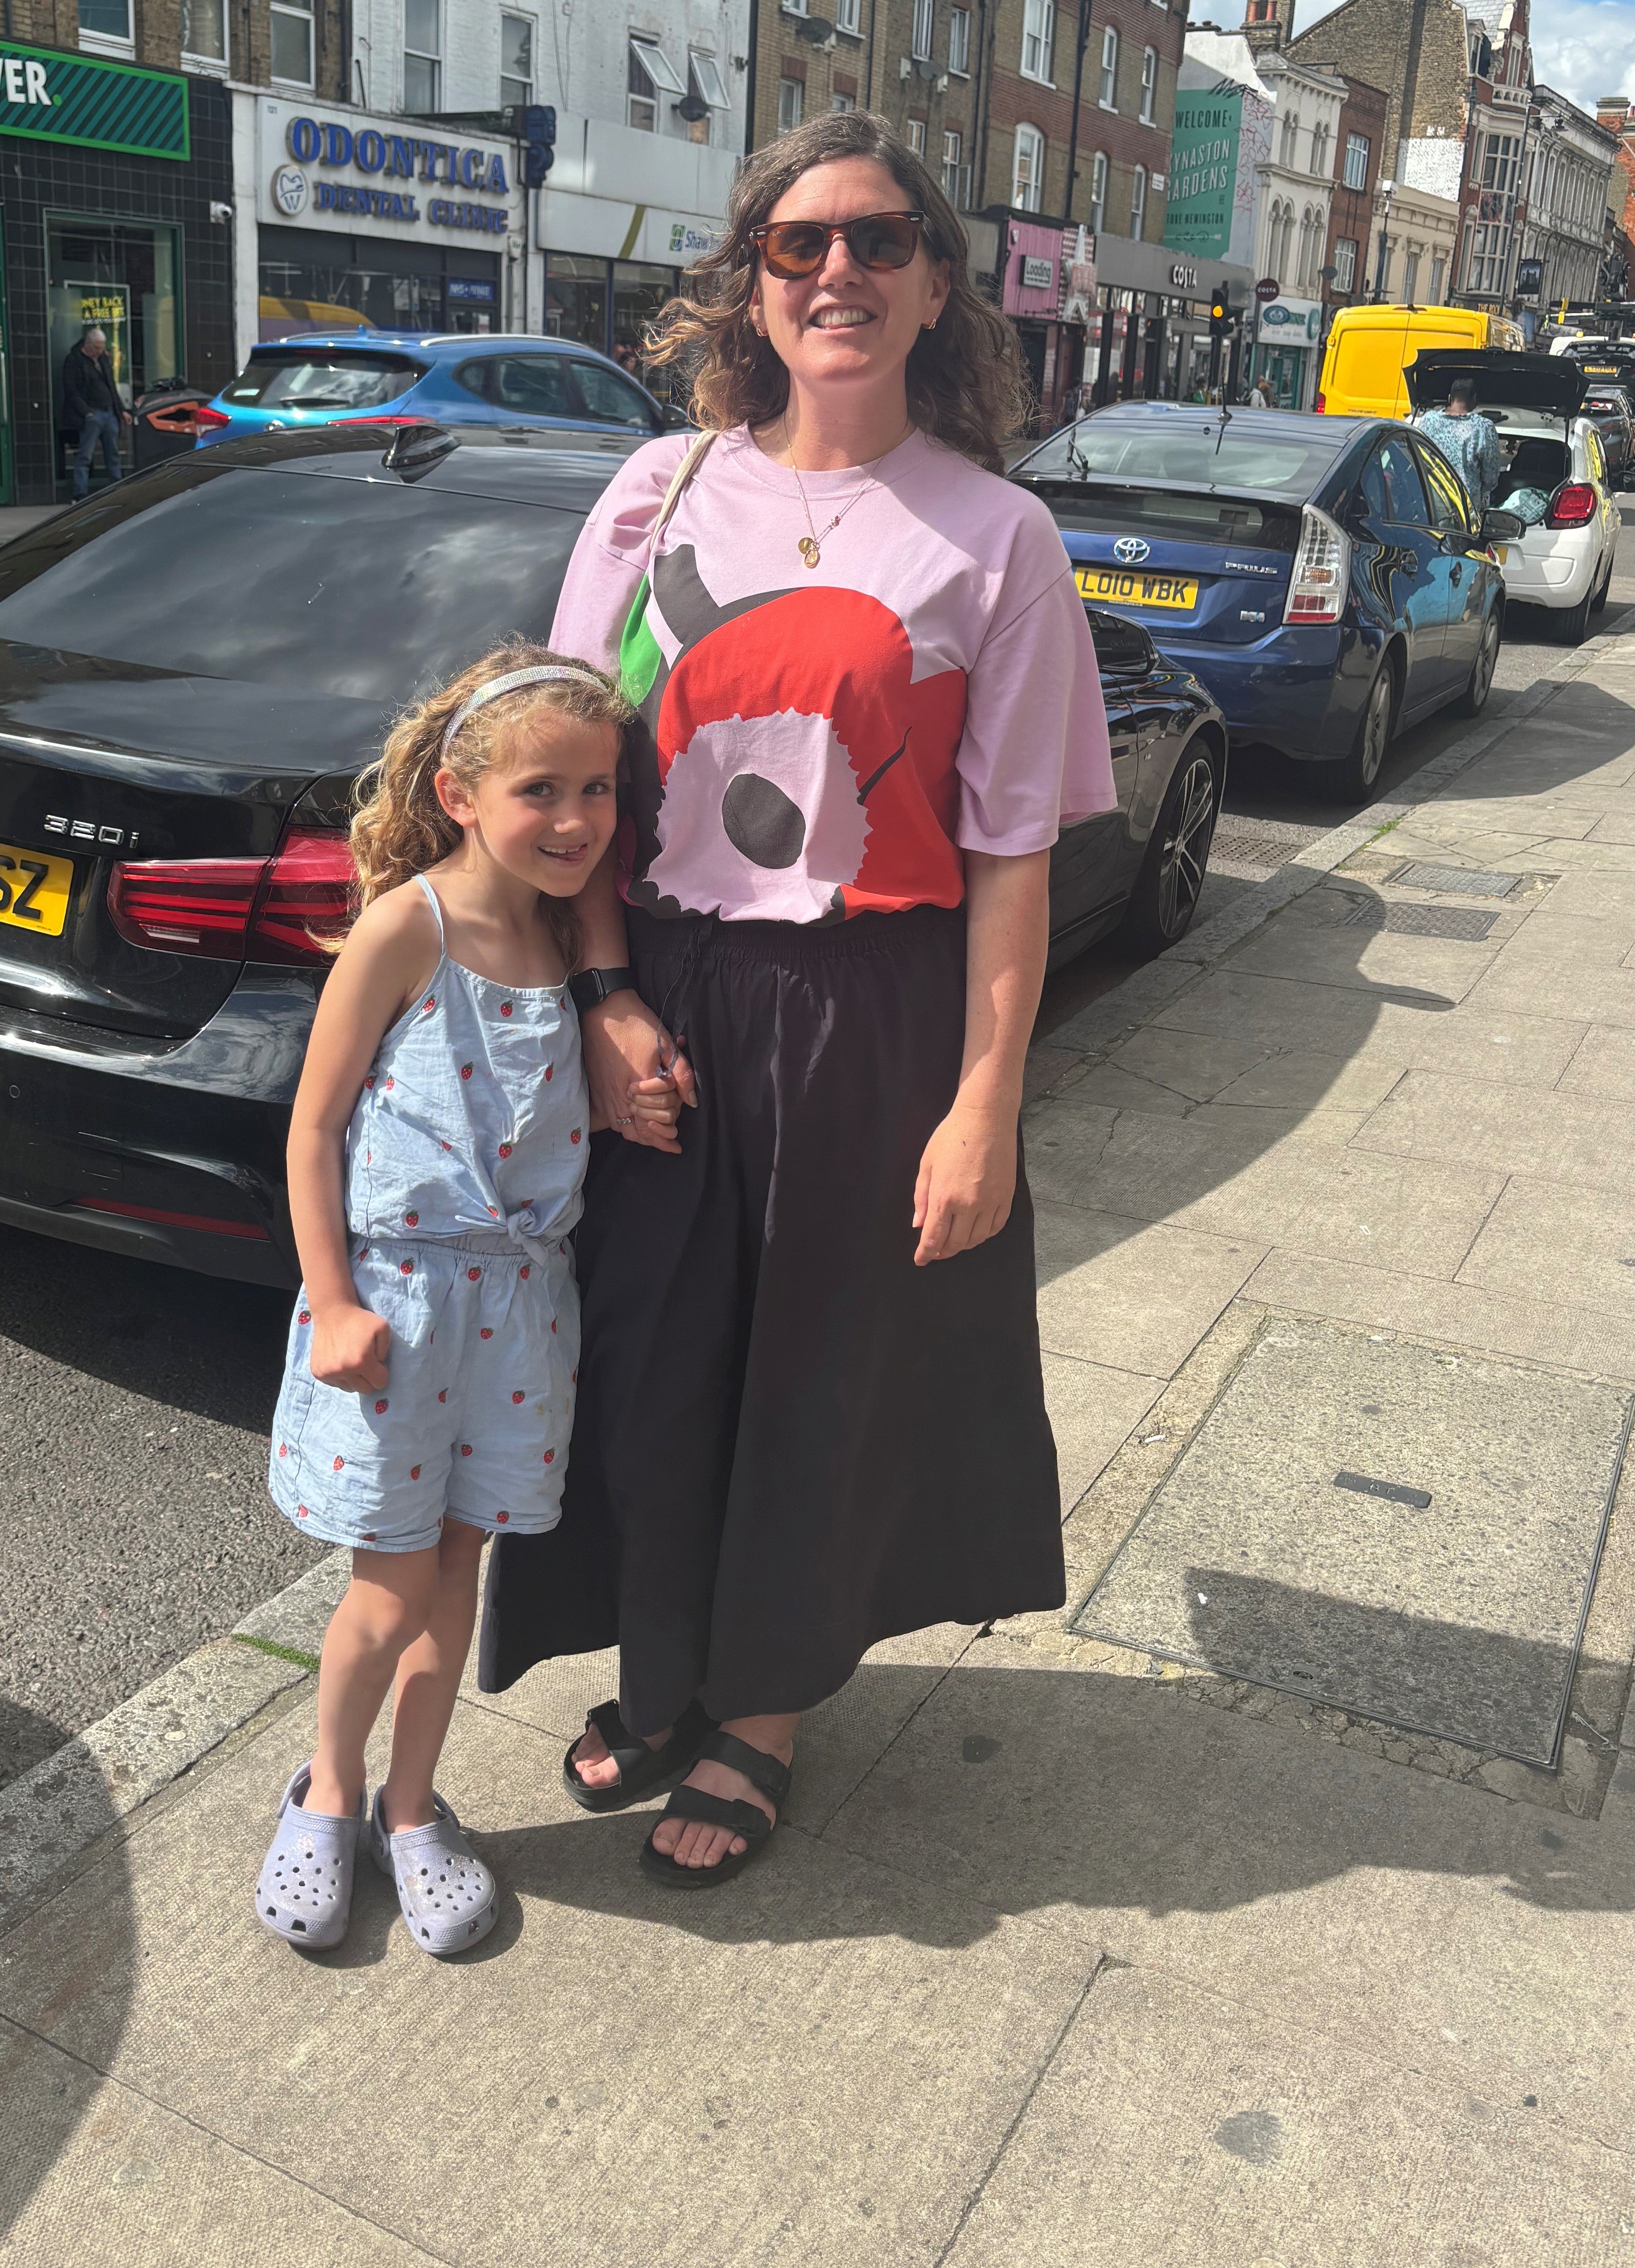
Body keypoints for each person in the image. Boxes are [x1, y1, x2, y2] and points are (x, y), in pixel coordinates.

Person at [478, 109, 1117, 1886]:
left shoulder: (995, 538)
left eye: (876, 240)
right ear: (749, 282)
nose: (835, 270)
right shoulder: (654, 493)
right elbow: (575, 782)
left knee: (821, 1373)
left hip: (870, 1007)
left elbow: (1008, 855)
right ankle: (660, 1658)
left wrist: (986, 1098)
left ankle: (754, 1712)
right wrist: (600, 1006)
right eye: (796, 243)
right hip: (664, 979)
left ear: (933, 286)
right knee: (651, 1357)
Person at [253, 645, 662, 1958]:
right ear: (460, 791)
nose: (575, 820)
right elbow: (313, 1128)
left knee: (456, 1582)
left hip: (522, 1318)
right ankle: (325, 1794)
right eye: (540, 787)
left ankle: (412, 1810)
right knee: (385, 1589)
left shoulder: (561, 940)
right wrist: (332, 1298)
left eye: (597, 790)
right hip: (398, 1306)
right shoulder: (406, 928)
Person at [1411, 374, 1498, 521]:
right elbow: (1491, 479)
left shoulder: (1428, 421)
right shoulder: (1483, 428)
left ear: (1450, 398)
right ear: (1475, 399)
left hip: (1428, 506)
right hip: (1464, 514)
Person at [60, 325, 129, 499]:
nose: (99, 351)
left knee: (113, 454)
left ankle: (117, 489)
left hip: (108, 412)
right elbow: (71, 390)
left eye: (101, 347)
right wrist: (86, 413)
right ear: (88, 344)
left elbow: (111, 386)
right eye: (96, 347)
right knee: (85, 456)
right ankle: (80, 494)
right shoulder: (74, 360)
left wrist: (121, 411)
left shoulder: (103, 360)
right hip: (92, 413)